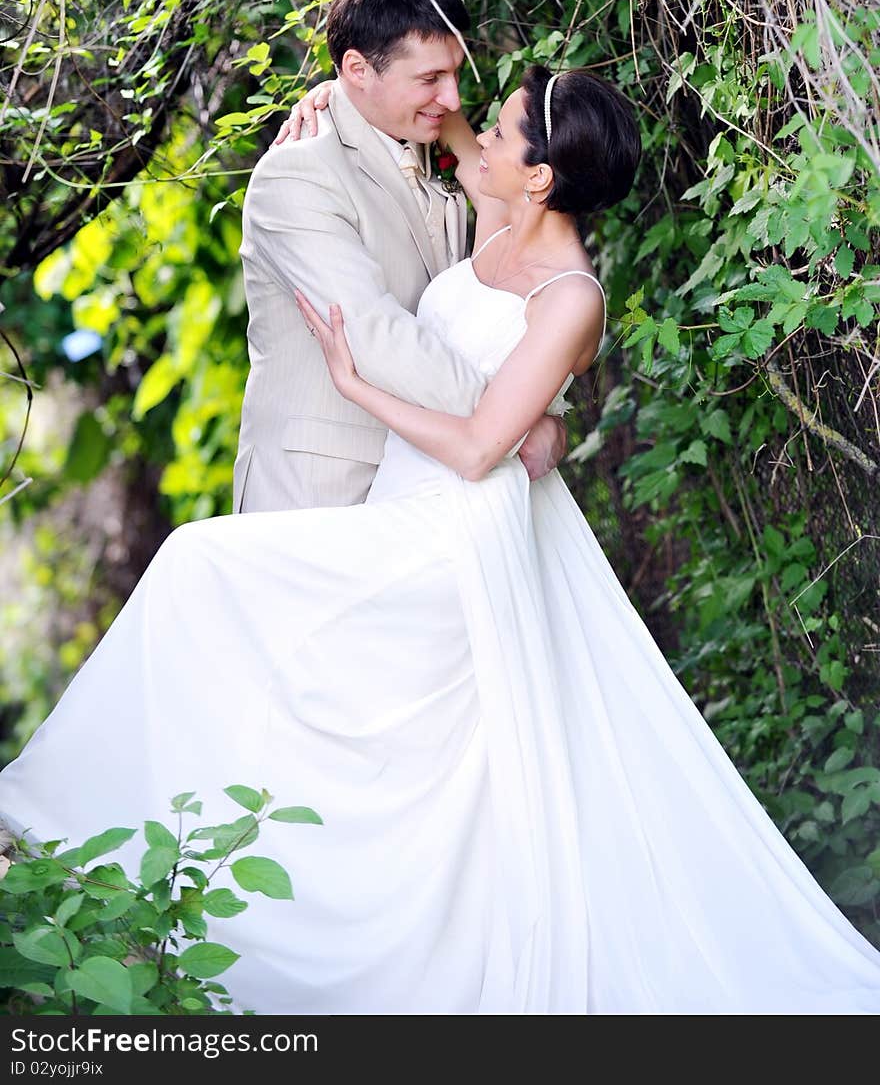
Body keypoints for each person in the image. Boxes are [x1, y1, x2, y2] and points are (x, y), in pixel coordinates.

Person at [1, 66, 879, 1015]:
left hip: (454, 531)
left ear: (540, 177)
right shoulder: (501, 221)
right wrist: (326, 105)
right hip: (403, 505)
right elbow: (436, 112)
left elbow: (476, 446)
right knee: (345, 711)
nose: (479, 140)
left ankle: (58, 816)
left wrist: (358, 381)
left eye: (504, 136)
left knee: (199, 563)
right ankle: (147, 852)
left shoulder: (570, 295)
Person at [233, 0, 564, 512]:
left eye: (455, 72)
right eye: (431, 78)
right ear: (358, 70)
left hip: (432, 483)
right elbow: (374, 335)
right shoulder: (298, 173)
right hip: (324, 499)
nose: (454, 98)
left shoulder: (427, 130)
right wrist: (516, 422)